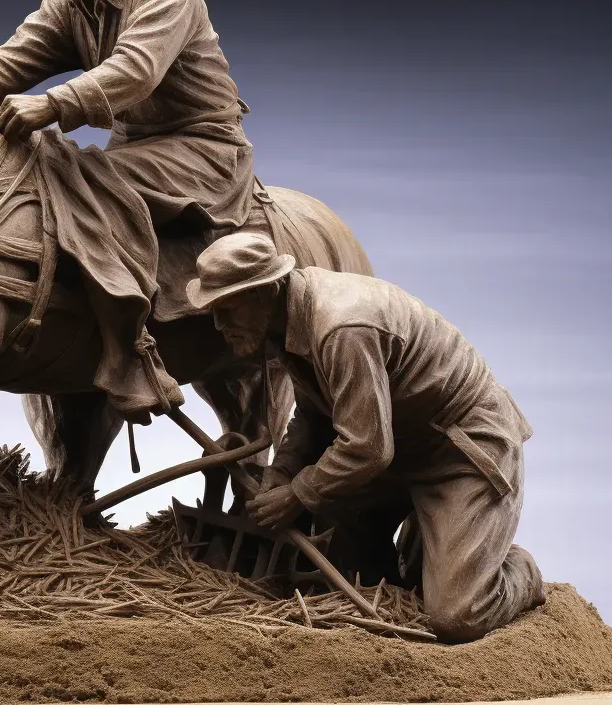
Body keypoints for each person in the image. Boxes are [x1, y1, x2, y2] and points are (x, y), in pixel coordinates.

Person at [0, 0, 254, 420]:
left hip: (201, 145)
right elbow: (3, 66)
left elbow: (137, 68)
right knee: (42, 172)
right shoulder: (69, 4)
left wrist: (52, 105)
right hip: (135, 146)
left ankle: (131, 352)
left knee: (71, 174)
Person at [185, 231, 546, 642]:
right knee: (352, 569)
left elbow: (368, 449)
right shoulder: (286, 320)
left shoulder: (342, 327)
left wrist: (299, 492)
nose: (218, 324)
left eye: (228, 308)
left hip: (459, 450)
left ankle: (513, 568)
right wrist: (283, 472)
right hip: (395, 446)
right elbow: (313, 412)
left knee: (457, 615)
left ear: (265, 291)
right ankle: (428, 557)